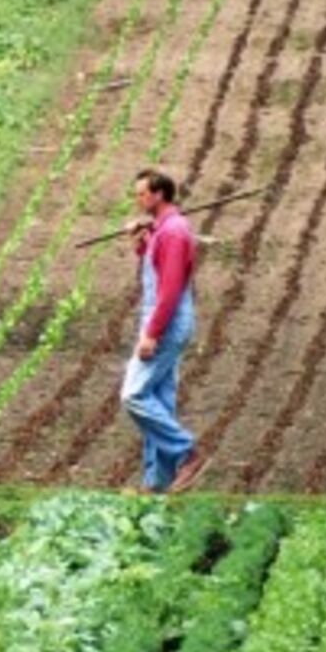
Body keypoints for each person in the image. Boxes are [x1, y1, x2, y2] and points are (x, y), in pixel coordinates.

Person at [120, 168, 202, 493]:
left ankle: (187, 452)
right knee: (159, 400)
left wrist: (152, 333)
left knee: (134, 394)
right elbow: (155, 266)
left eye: (141, 194)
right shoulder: (164, 229)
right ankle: (157, 484)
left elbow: (169, 289)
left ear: (159, 195)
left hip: (166, 323)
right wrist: (140, 242)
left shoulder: (174, 232)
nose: (137, 199)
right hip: (162, 321)